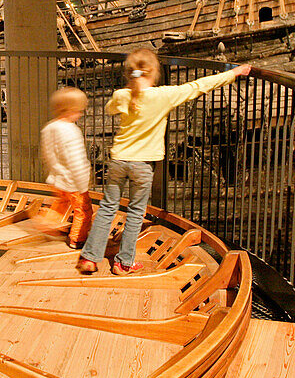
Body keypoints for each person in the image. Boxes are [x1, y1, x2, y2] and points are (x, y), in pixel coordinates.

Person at [76, 49, 250, 275]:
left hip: (118, 160)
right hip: (144, 164)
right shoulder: (164, 95)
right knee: (136, 212)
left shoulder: (121, 95)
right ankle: (123, 262)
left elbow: (110, 108)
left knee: (108, 208)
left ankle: (90, 258)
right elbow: (198, 86)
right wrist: (234, 72)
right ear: (154, 72)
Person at [40, 87, 93, 248]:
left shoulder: (49, 128)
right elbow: (76, 161)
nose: (81, 114)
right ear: (71, 110)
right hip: (73, 181)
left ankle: (47, 224)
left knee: (61, 204)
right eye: (80, 110)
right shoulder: (72, 131)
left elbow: (48, 154)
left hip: (58, 178)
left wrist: (55, 172)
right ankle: (78, 239)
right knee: (83, 211)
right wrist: (83, 183)